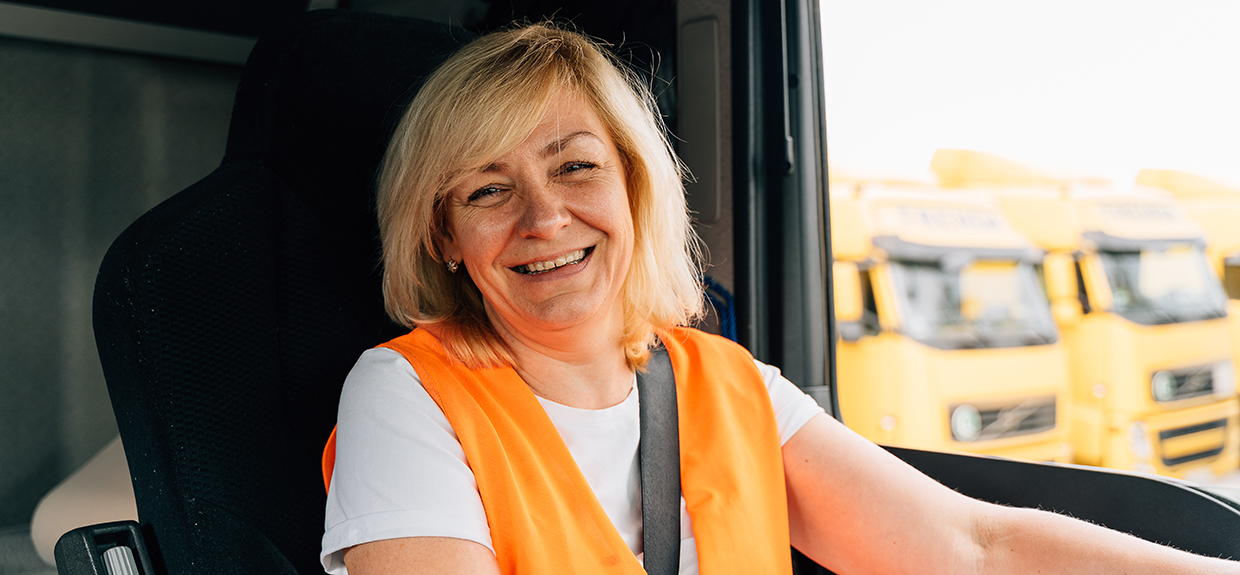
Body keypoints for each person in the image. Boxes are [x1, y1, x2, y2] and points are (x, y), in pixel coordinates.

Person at [320, 22, 1240, 575]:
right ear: (443, 235)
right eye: (487, 190)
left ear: (635, 191)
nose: (544, 215)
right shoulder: (403, 394)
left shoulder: (728, 385)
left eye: (575, 167)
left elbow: (971, 546)